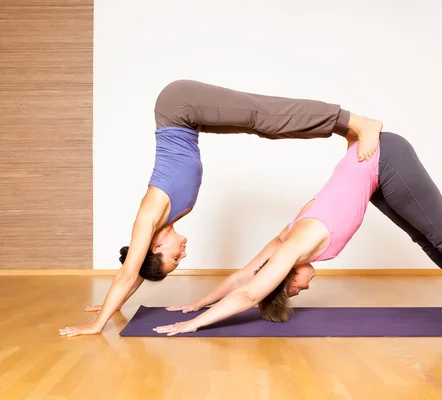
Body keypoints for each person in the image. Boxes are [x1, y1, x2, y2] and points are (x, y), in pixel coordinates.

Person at [58, 80, 383, 337]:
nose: (182, 255)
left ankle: (358, 122)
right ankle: (348, 132)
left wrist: (97, 324)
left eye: (173, 258)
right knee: (264, 128)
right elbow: (138, 271)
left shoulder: (150, 213)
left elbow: (129, 272)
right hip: (188, 119)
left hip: (178, 106)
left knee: (263, 116)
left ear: (156, 245)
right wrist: (114, 305)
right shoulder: (165, 223)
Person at [155, 132, 442, 337]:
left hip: (384, 157)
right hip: (374, 175)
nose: (306, 288)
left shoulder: (294, 246)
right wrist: (199, 301)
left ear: (286, 275)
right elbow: (241, 276)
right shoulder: (281, 241)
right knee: (426, 239)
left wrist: (194, 323)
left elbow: (251, 291)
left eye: (296, 288)